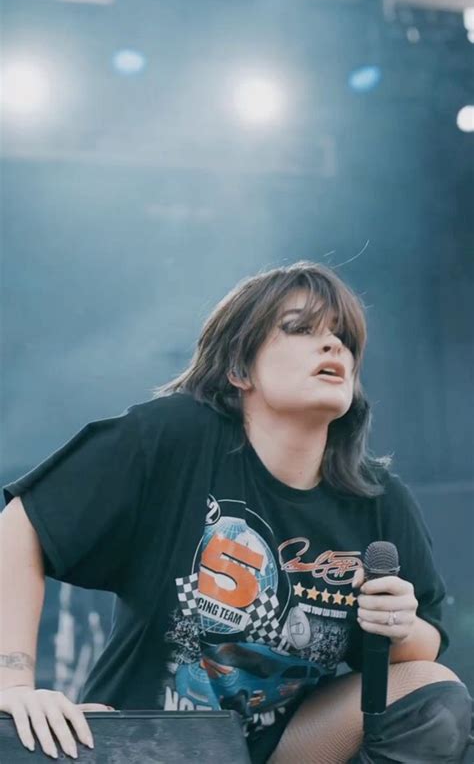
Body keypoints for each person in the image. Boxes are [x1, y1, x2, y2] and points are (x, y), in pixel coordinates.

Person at [1, 260, 472, 763]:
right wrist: (13, 683)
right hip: (149, 745)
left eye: (344, 338)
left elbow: (416, 657)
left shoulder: (379, 499)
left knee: (434, 692)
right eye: (300, 329)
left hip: (287, 750)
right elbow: (21, 526)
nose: (334, 345)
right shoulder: (175, 438)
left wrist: (400, 624)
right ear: (239, 369)